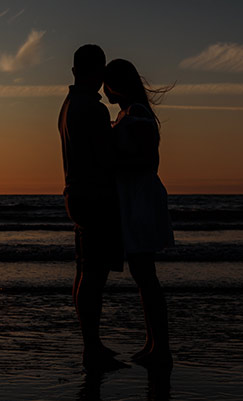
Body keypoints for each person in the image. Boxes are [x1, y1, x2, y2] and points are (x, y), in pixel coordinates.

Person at [59, 44, 126, 371]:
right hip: (94, 196)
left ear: (75, 71)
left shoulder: (68, 105)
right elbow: (106, 158)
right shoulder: (92, 109)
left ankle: (91, 344)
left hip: (75, 194)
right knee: (93, 275)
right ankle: (92, 347)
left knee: (84, 272)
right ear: (98, 73)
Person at [103, 58, 174, 367]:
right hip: (132, 199)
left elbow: (149, 161)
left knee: (146, 276)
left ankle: (161, 346)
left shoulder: (138, 115)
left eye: (107, 83)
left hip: (141, 200)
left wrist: (113, 163)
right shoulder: (126, 114)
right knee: (143, 275)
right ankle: (153, 341)